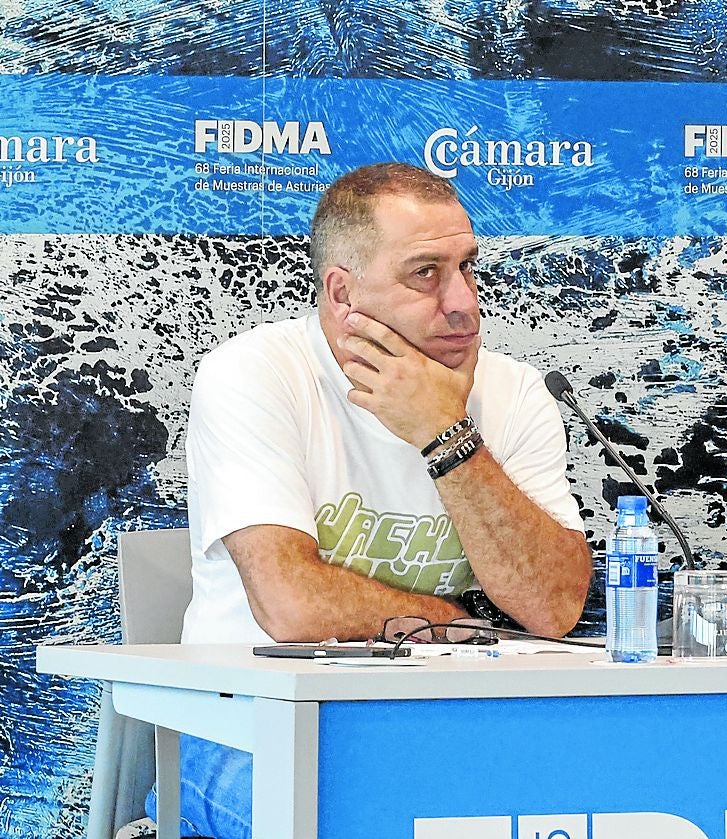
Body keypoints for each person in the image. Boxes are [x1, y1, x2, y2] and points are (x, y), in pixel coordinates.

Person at [147, 162, 592, 838]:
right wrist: (439, 618)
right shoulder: (255, 374)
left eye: (469, 267)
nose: (465, 302)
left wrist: (448, 436)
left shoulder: (514, 391)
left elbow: (553, 605)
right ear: (342, 293)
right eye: (426, 274)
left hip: (446, 726)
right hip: (247, 726)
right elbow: (291, 604)